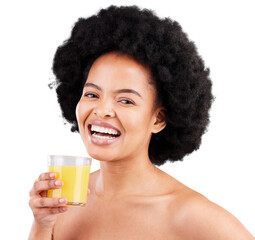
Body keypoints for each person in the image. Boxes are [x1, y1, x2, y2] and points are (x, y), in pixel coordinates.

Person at [28, 5, 254, 239]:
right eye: (92, 94)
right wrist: (42, 226)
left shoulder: (189, 215)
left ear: (158, 119)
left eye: (125, 100)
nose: (102, 110)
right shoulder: (66, 200)